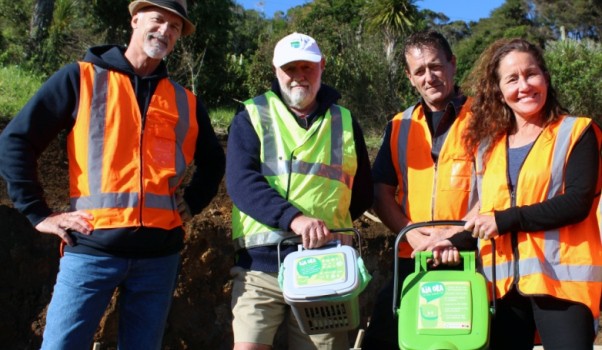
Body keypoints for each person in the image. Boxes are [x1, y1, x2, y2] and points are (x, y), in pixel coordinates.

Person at [0, 0, 225, 348]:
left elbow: (213, 162)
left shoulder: (186, 101)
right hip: (91, 251)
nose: (165, 31)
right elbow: (17, 139)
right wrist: (38, 213)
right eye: (158, 20)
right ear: (135, 20)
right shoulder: (80, 77)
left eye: (175, 27)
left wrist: (191, 203)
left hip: (159, 259)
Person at [226, 32, 373, 350]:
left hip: (326, 268)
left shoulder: (345, 121)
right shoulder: (251, 116)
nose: (298, 76)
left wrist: (338, 226)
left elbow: (361, 192)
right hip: (260, 265)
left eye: (306, 67)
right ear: (277, 71)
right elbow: (241, 182)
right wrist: (295, 219)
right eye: (290, 69)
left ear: (322, 67)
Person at [454, 38, 602, 349]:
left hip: (562, 286)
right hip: (502, 289)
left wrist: (506, 220)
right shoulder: (486, 147)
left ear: (545, 78)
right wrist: (448, 242)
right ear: (498, 91)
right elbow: (487, 215)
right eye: (512, 79)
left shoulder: (577, 132)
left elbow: (577, 203)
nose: (524, 85)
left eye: (531, 74)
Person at [362, 30, 478, 350]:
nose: (429, 77)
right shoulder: (399, 125)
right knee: (382, 338)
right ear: (410, 78)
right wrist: (411, 234)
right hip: (413, 257)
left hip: (472, 258)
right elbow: (381, 191)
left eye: (436, 66)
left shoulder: (486, 119)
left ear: (452, 65)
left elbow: (499, 191)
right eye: (420, 71)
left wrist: (453, 238)